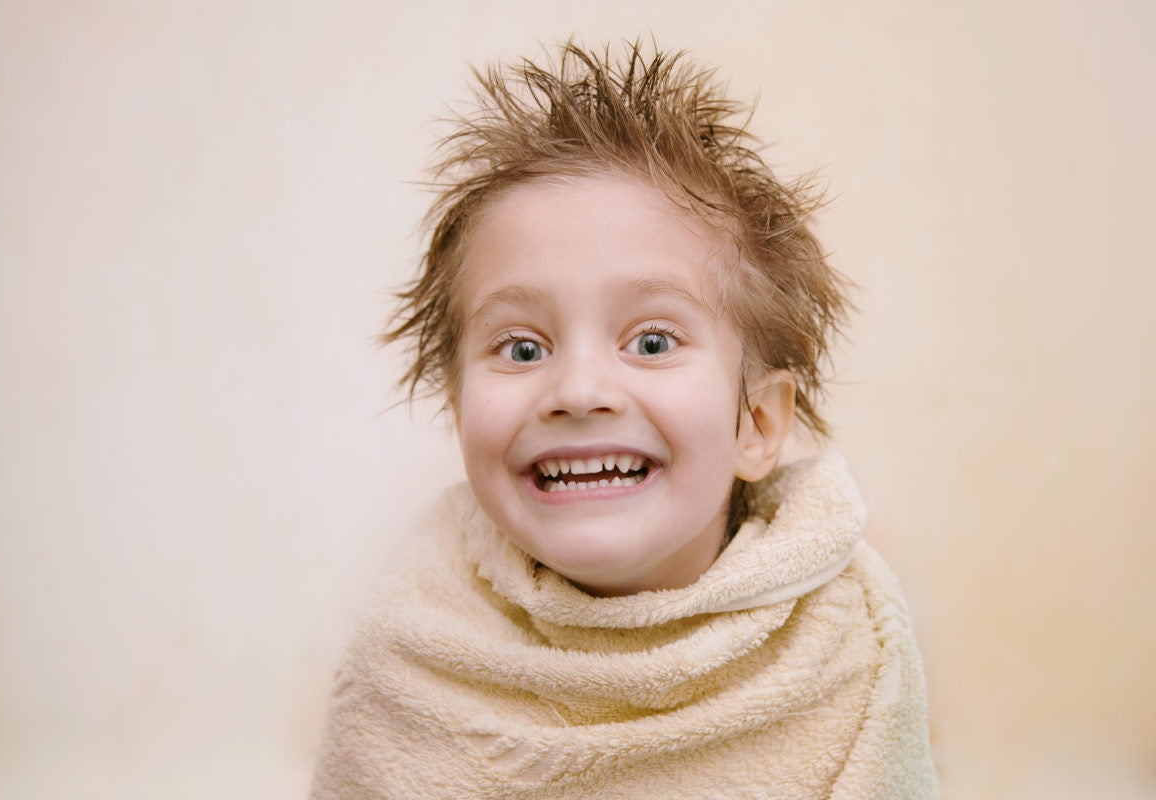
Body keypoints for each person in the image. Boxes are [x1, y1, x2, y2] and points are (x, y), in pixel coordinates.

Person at [310, 40, 938, 799]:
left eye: (651, 342)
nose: (578, 390)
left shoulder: (840, 642)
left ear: (756, 425)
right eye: (522, 348)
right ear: (458, 407)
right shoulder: (416, 652)